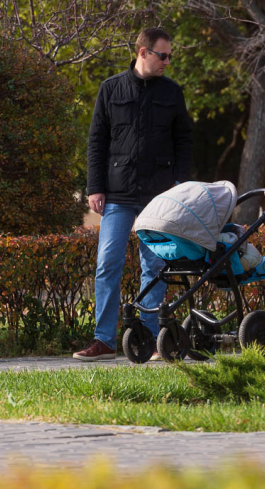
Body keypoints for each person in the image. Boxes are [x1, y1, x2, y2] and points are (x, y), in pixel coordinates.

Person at [73, 28, 192, 361]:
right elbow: (97, 140)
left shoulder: (172, 92)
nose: (167, 61)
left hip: (159, 198)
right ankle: (105, 340)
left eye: (170, 56)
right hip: (117, 195)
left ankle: (153, 339)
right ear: (143, 52)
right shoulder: (110, 89)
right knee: (107, 264)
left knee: (154, 267)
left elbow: (184, 142)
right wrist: (94, 187)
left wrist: (180, 186)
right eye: (162, 55)